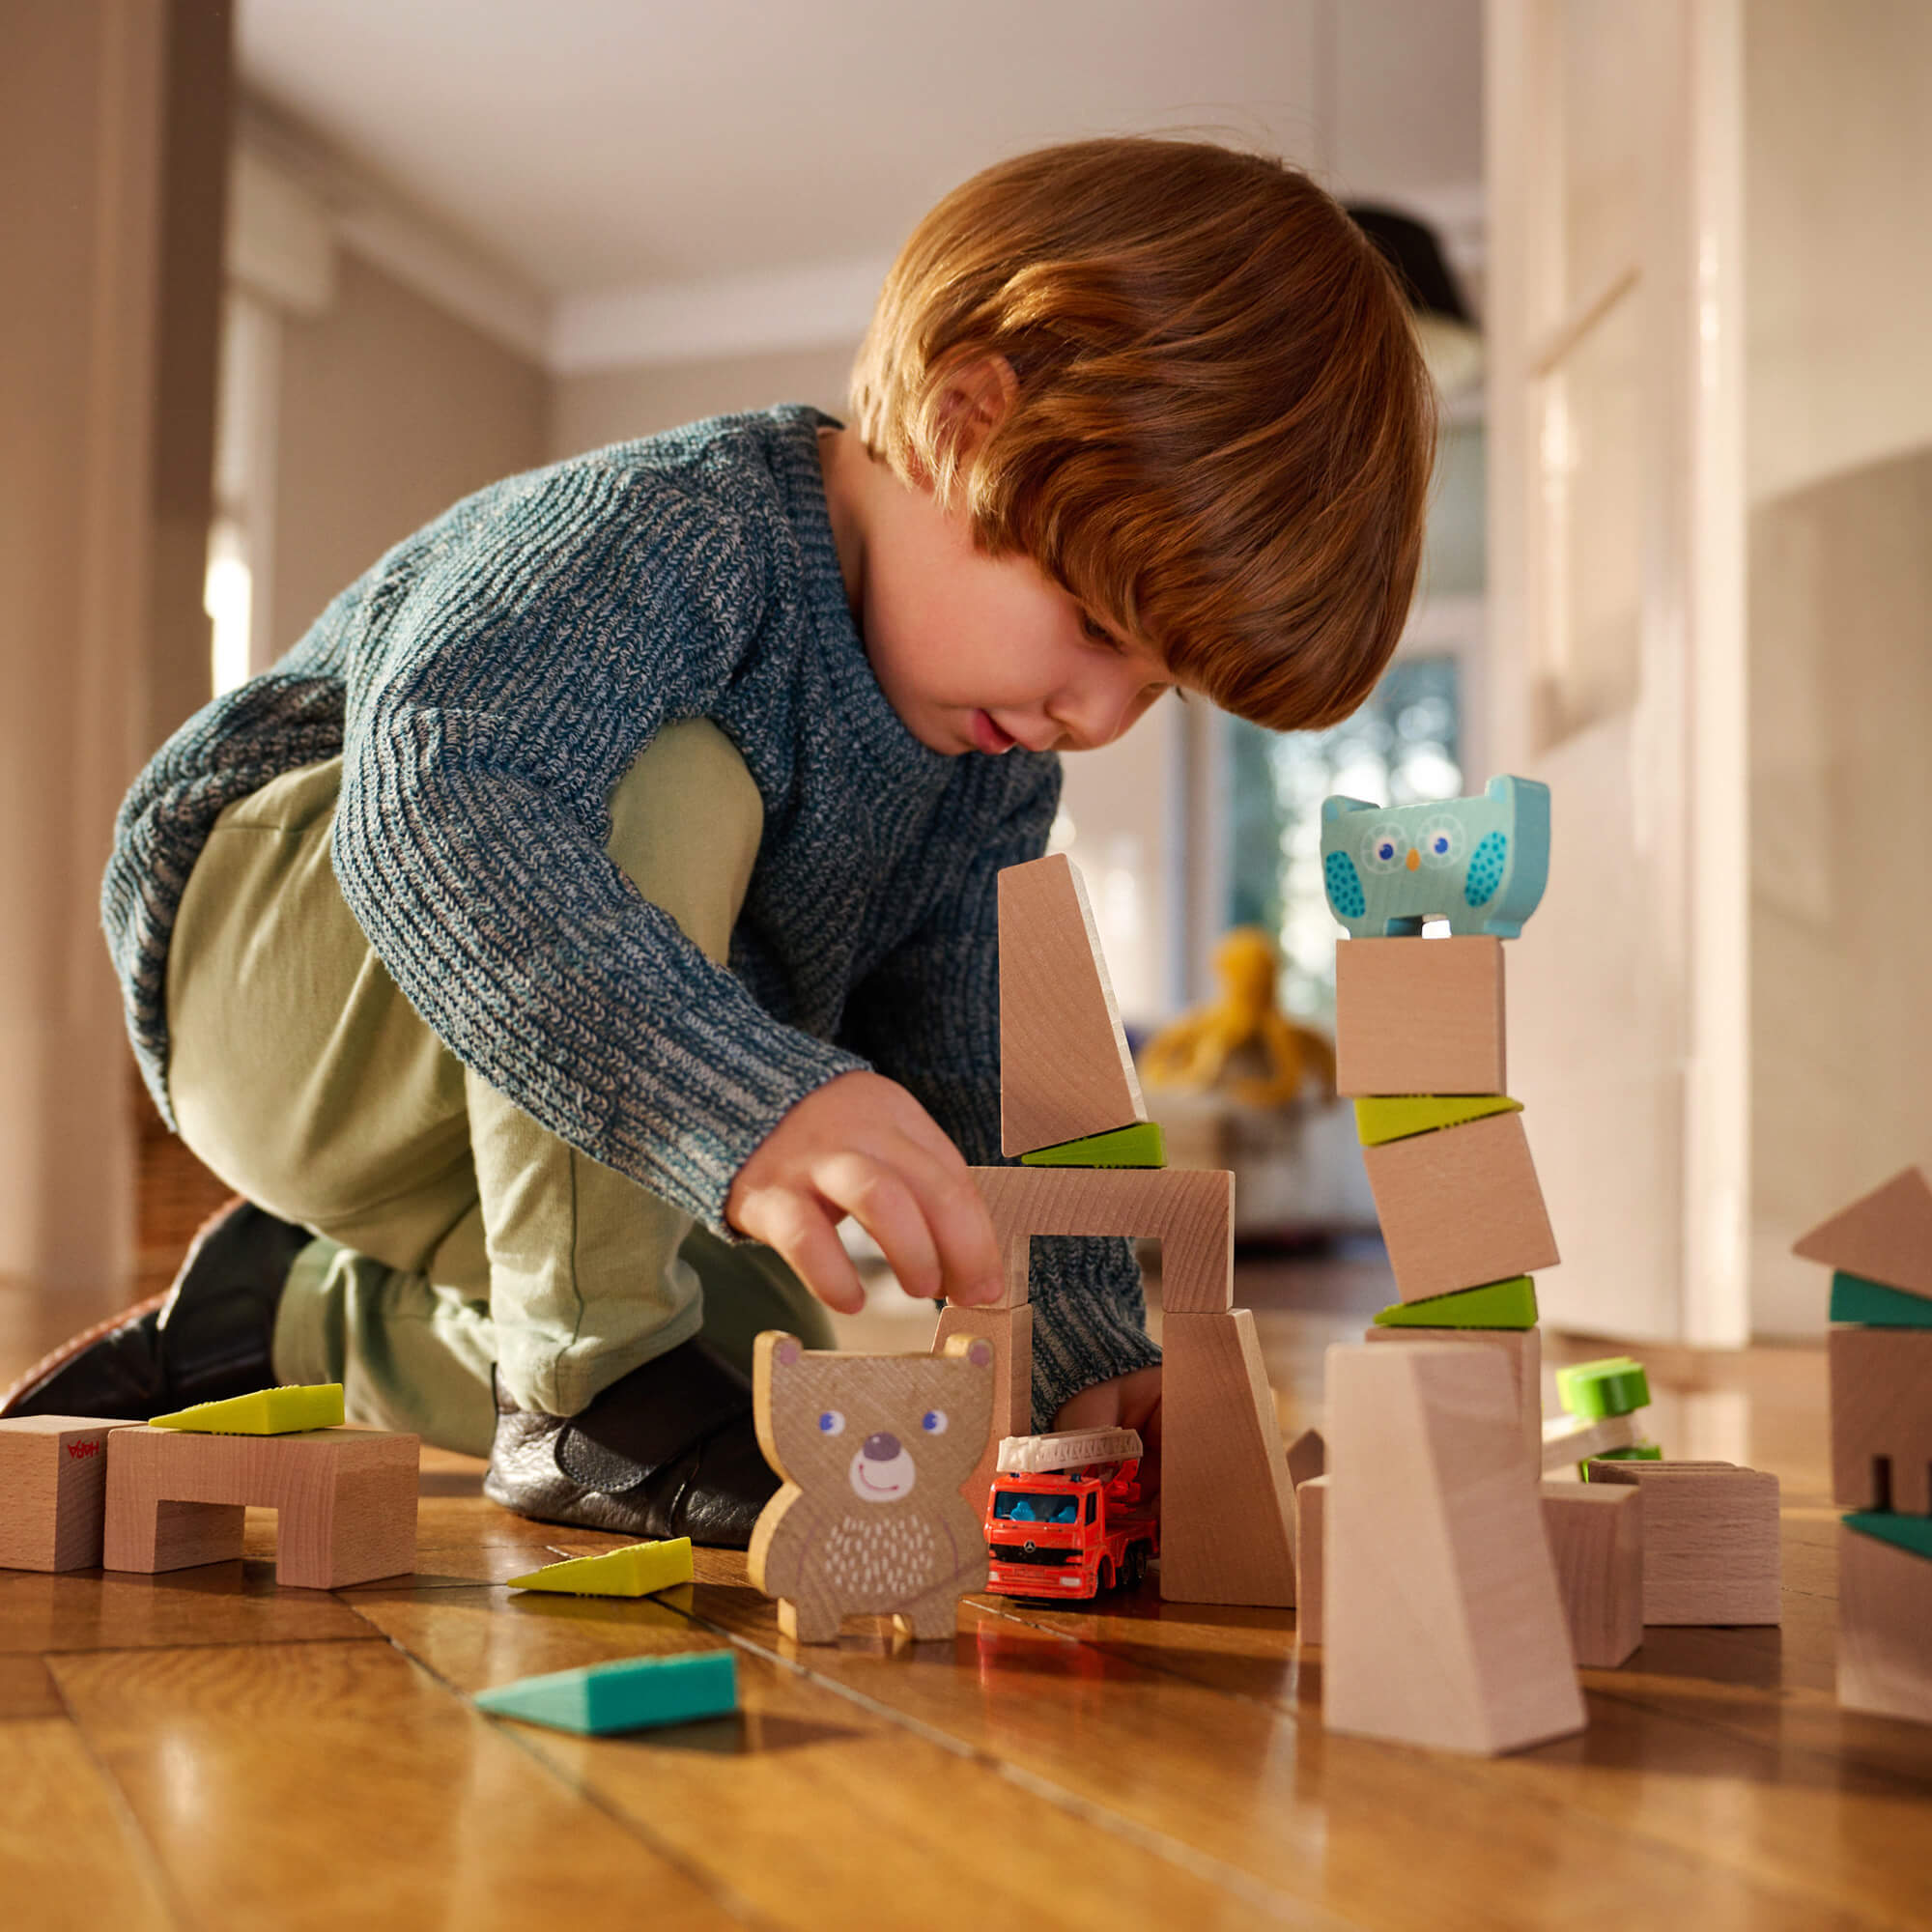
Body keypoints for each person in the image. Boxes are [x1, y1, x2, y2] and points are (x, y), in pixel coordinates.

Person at [5, 138, 1433, 1547]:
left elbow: (979, 1065)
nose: (1099, 715)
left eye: (1157, 685)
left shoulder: (990, 761)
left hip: (525, 1089)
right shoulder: (684, 531)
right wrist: (746, 1104)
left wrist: (1081, 1372)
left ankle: (285, 1322)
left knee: (779, 1383)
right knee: (676, 782)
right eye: (1099, 629)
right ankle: (578, 1395)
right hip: (271, 985)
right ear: (964, 424)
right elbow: (442, 798)